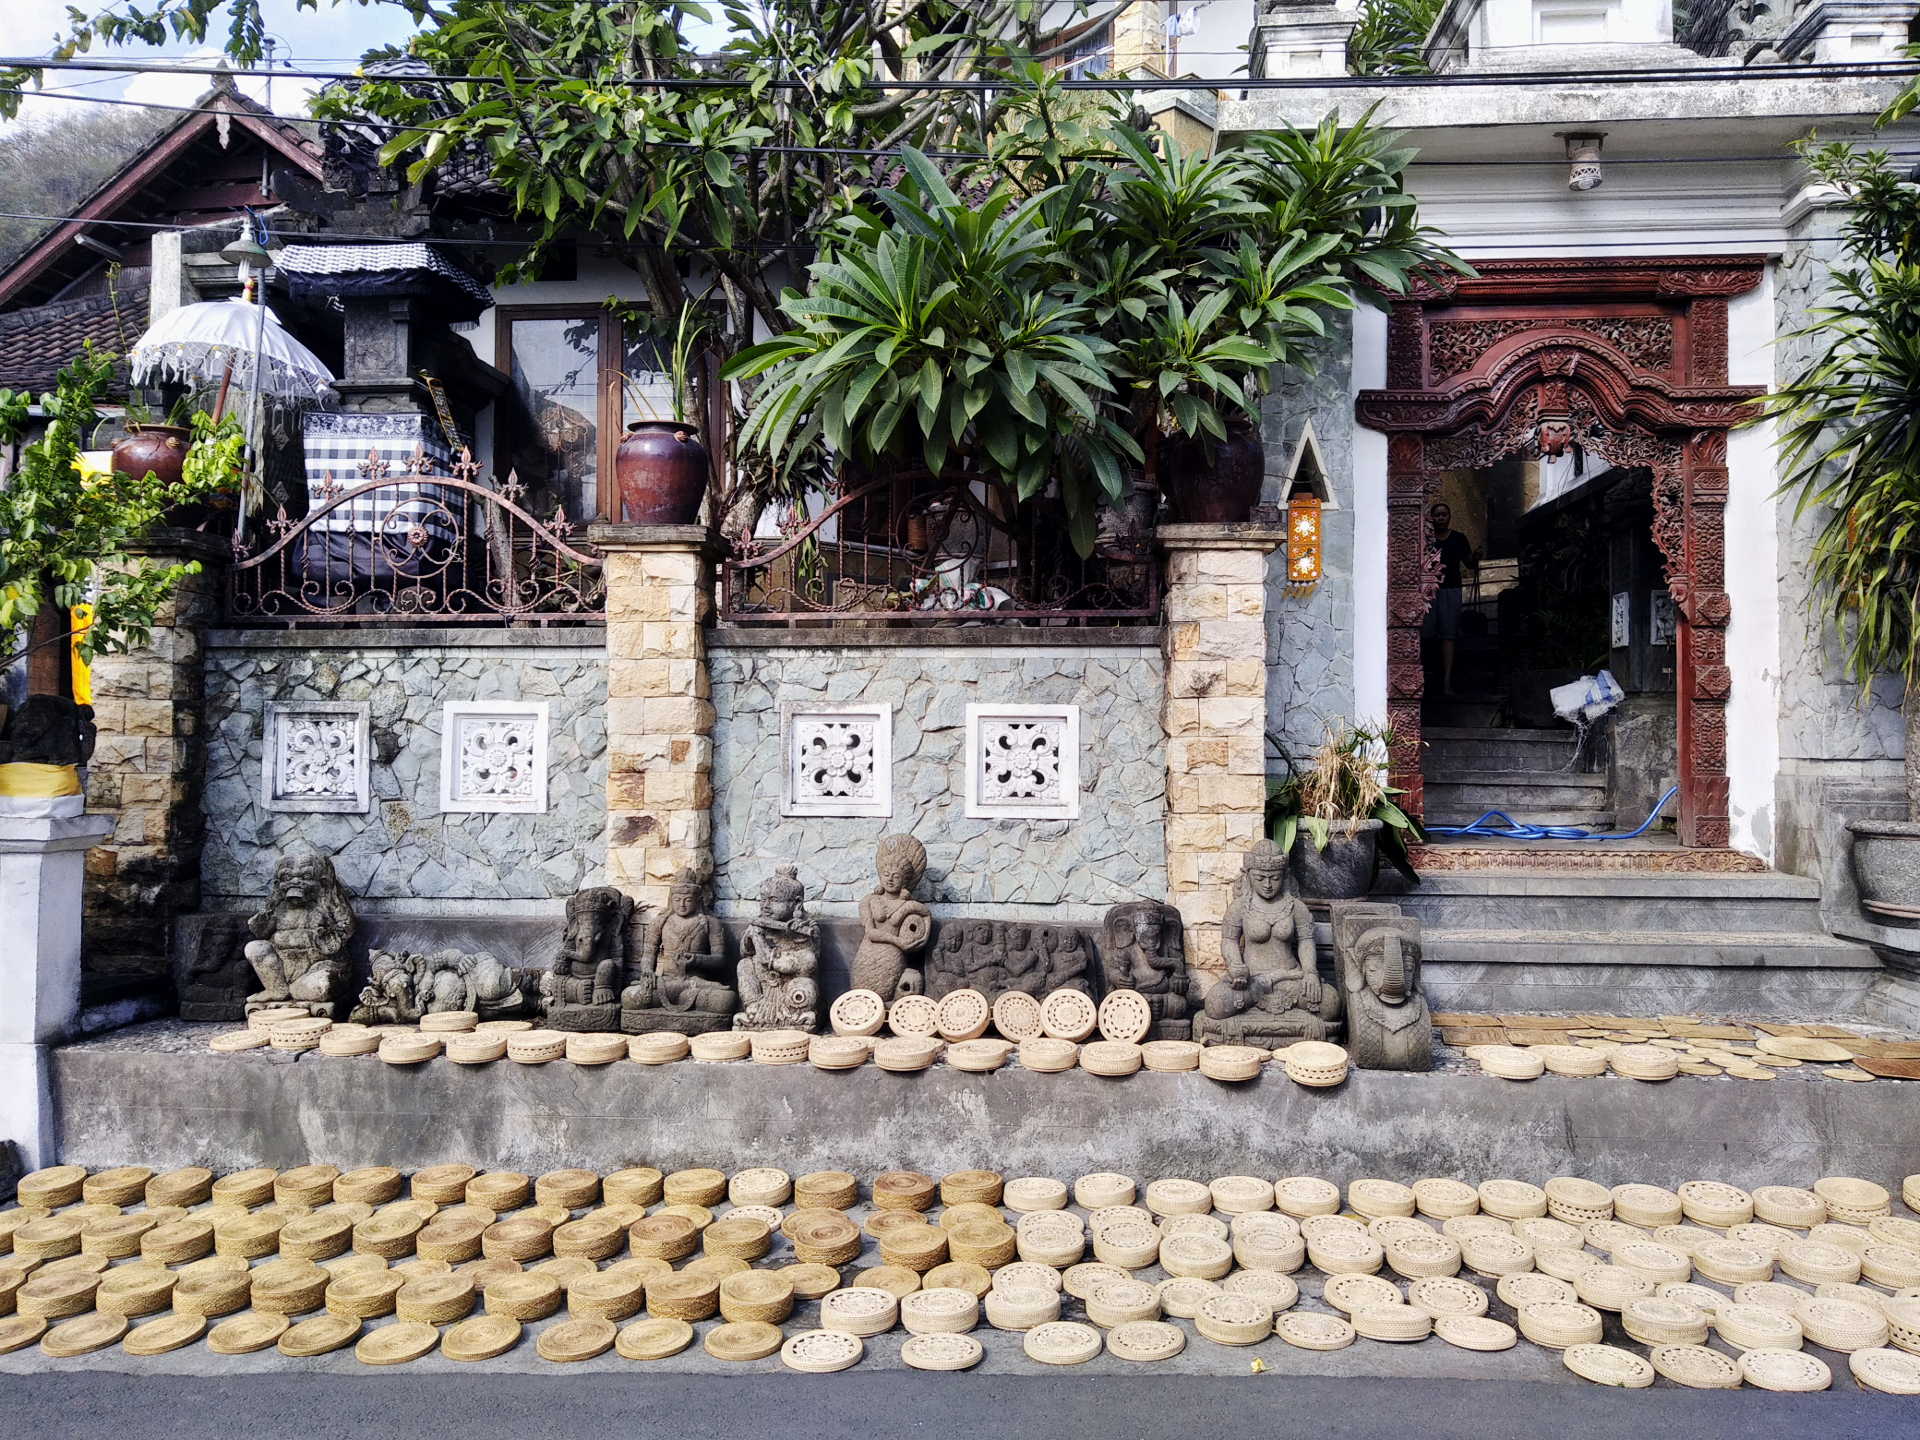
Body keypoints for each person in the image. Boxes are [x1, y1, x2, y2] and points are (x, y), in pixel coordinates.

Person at [1423, 502, 1479, 698]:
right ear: (1431, 518)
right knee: (1426, 635)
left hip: (1451, 589)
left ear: (1449, 517)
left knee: (1449, 635)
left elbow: (1469, 563)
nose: (1440, 517)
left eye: (1443, 514)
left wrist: (1475, 557)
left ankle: (1447, 682)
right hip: (1427, 591)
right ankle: (1429, 676)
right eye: (1437, 514)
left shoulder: (1459, 539)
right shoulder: (1425, 540)